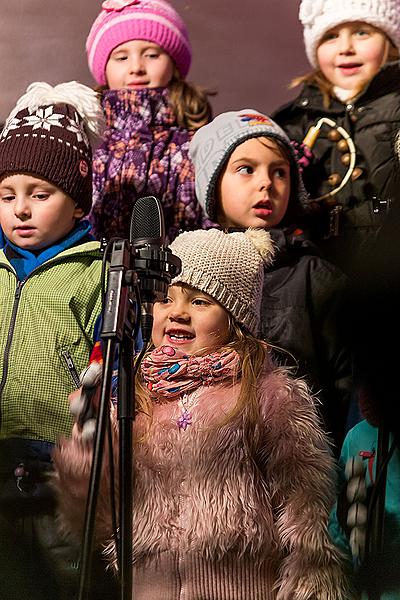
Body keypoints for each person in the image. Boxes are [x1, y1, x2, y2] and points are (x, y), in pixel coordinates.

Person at [53, 226, 351, 599]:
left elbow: (306, 515)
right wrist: (87, 441)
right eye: (166, 299)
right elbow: (94, 519)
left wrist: (312, 589)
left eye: (199, 301)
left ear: (235, 318)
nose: (177, 312)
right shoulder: (133, 398)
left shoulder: (267, 396)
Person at [0, 81, 116, 599]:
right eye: (7, 195)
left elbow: (111, 364)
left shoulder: (95, 274)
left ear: (76, 204)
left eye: (40, 195)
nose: (21, 209)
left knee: (62, 582)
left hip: (59, 469)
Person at [189, 109, 352, 452]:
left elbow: (348, 391)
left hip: (297, 467)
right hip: (209, 473)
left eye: (280, 172)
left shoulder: (316, 278)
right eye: (246, 169)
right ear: (211, 183)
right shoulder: (185, 273)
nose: (266, 183)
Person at [272, 0, 400, 275]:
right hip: (319, 273)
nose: (345, 48)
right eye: (331, 36)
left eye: (362, 32)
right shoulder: (295, 122)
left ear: (389, 40)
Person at [85, 0, 214, 244]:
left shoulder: (199, 143)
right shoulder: (86, 142)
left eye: (152, 55)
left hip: (179, 275)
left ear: (174, 64)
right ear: (104, 68)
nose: (136, 68)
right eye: (121, 57)